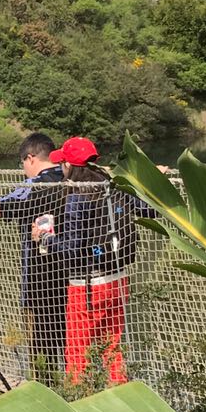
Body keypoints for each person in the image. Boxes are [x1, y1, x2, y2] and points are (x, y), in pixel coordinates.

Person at [0, 133, 69, 380]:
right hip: (75, 278)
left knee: (42, 346)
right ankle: (78, 390)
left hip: (40, 280)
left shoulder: (35, 186)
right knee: (72, 344)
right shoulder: (71, 177)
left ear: (30, 158)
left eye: (22, 164)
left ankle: (46, 393)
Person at [48, 136, 136, 384]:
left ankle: (79, 404)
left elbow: (72, 249)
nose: (60, 167)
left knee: (78, 353)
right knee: (113, 350)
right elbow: (146, 209)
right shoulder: (113, 187)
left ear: (69, 166)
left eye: (62, 162)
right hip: (118, 280)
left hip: (87, 287)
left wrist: (45, 239)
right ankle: (121, 399)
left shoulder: (77, 196)